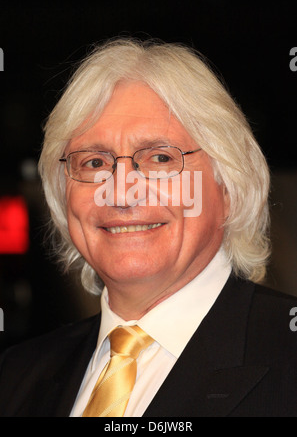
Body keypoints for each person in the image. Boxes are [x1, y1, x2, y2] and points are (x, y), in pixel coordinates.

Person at [0, 37, 297, 418]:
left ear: (230, 186)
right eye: (93, 163)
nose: (121, 192)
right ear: (62, 196)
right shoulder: (15, 377)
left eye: (159, 157)